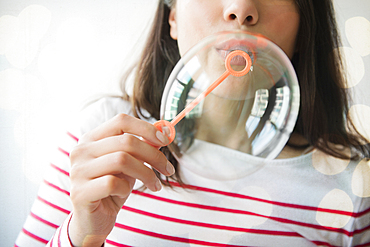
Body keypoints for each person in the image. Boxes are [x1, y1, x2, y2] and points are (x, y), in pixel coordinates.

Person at [15, 0, 370, 246]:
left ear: (305, 21)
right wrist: (82, 235)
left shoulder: (351, 186)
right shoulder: (105, 135)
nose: (241, 9)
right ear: (172, 18)